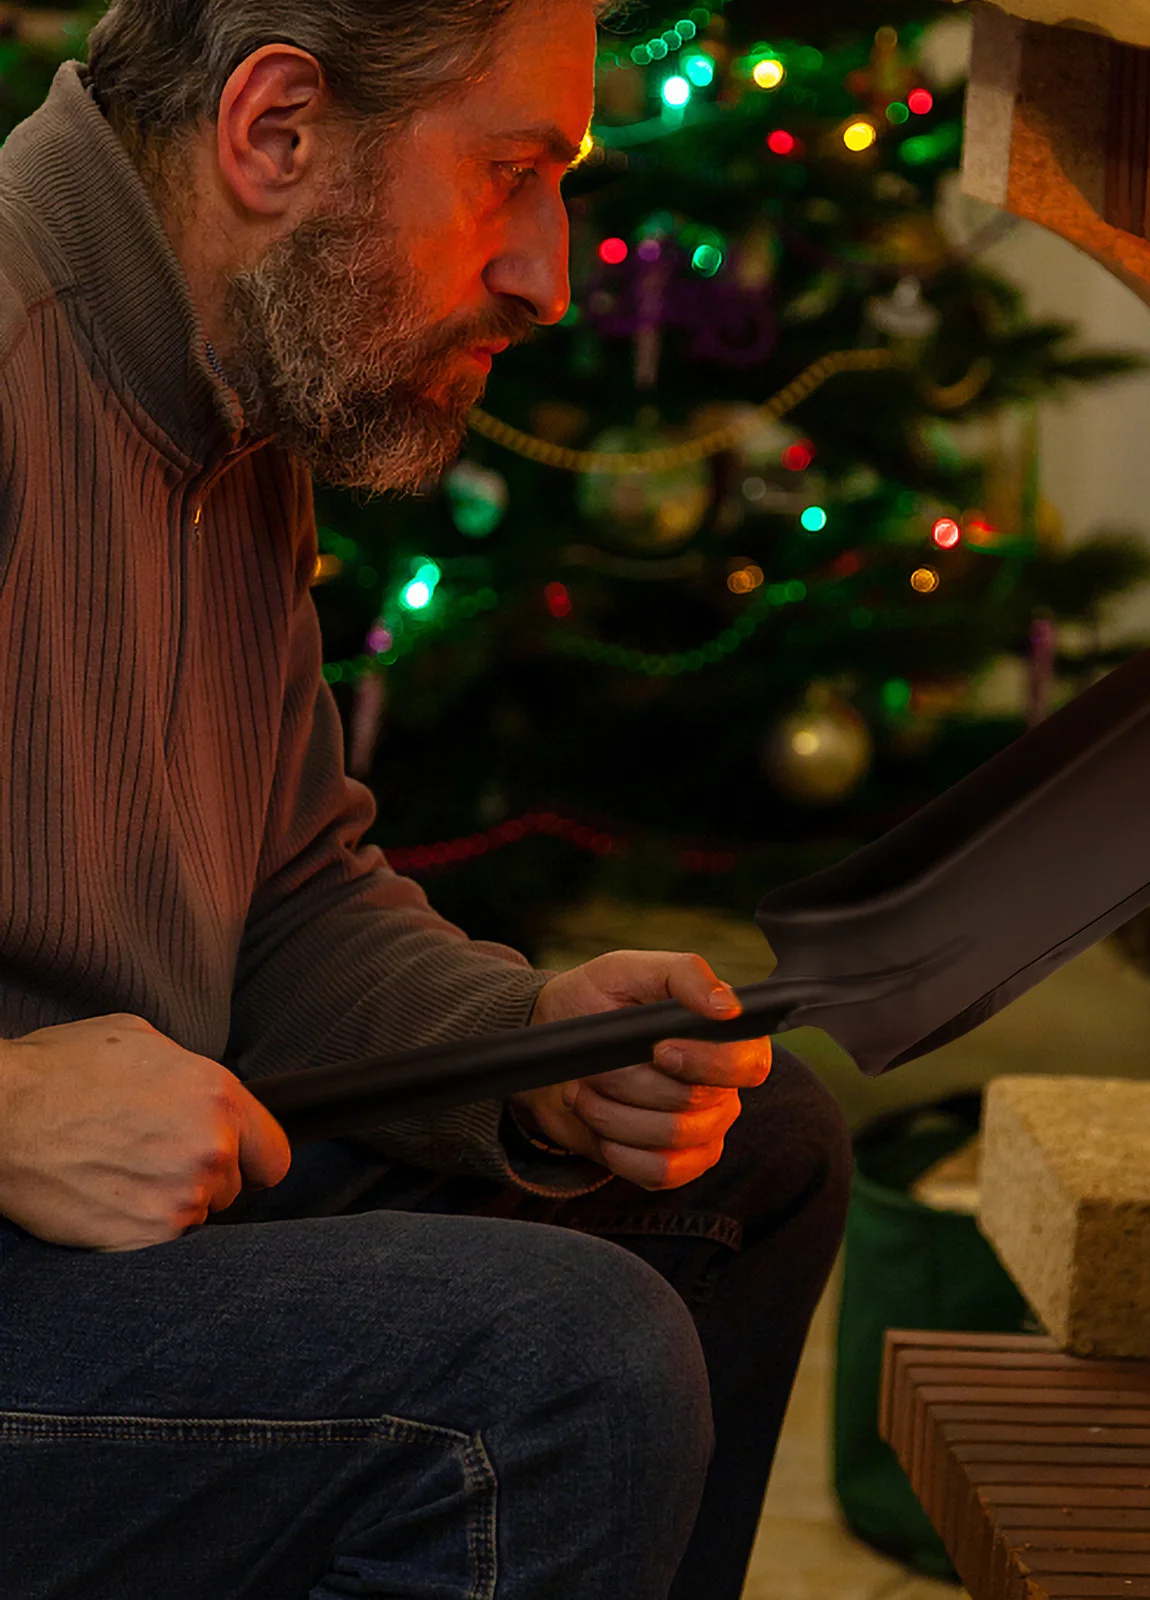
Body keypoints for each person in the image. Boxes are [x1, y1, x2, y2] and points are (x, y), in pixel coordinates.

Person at [0, 2, 852, 1596]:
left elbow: (292, 906)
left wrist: (538, 1055)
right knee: (561, 1373)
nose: (548, 272)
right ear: (275, 131)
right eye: (509, 175)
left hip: (103, 1232)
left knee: (753, 1151)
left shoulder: (230, 392)